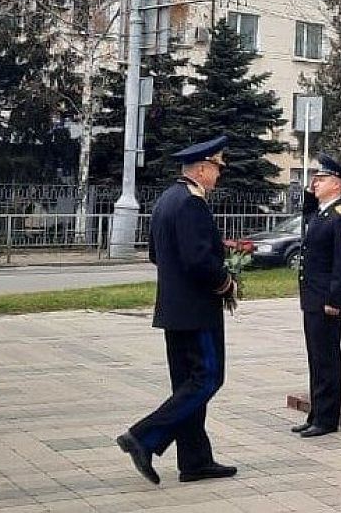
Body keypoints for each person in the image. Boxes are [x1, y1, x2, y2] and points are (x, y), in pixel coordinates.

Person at [117, 135, 239, 486]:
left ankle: (196, 460)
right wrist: (225, 282)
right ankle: (143, 436)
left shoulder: (167, 200)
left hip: (174, 309)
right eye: (216, 168)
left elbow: (157, 254)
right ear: (202, 169)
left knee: (187, 384)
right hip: (196, 311)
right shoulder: (191, 204)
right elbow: (199, 261)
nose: (218, 176)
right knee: (208, 378)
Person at [291, 154, 341, 438]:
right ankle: (316, 413)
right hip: (312, 297)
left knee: (327, 358)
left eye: (322, 179)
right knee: (316, 357)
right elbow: (306, 215)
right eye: (315, 179)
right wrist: (310, 191)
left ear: (338, 185)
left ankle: (327, 418)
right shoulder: (321, 213)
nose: (315, 182)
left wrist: (335, 300)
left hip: (326, 301)